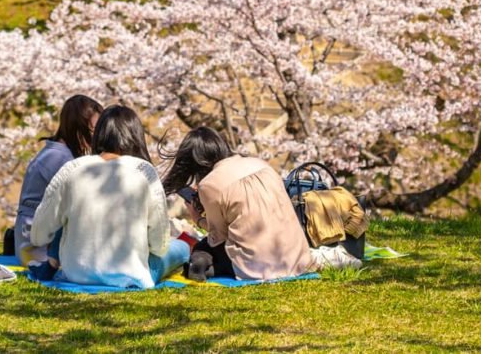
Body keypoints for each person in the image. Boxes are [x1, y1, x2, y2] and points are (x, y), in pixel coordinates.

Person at [30, 105, 190, 288]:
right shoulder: (143, 171)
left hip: (76, 274)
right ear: (136, 136)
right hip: (131, 274)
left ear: (99, 134)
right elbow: (159, 246)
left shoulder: (72, 169)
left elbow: (38, 235)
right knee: (181, 248)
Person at [162, 126, 314, 281]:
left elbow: (218, 237)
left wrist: (198, 219)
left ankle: (201, 266)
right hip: (299, 258)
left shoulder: (209, 185)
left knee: (204, 246)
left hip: (260, 266)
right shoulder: (260, 163)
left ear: (195, 162)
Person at [14, 95, 103, 272]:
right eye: (93, 130)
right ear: (77, 128)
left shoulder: (56, 151)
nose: (97, 136)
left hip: (35, 234)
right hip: (37, 245)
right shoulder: (59, 158)